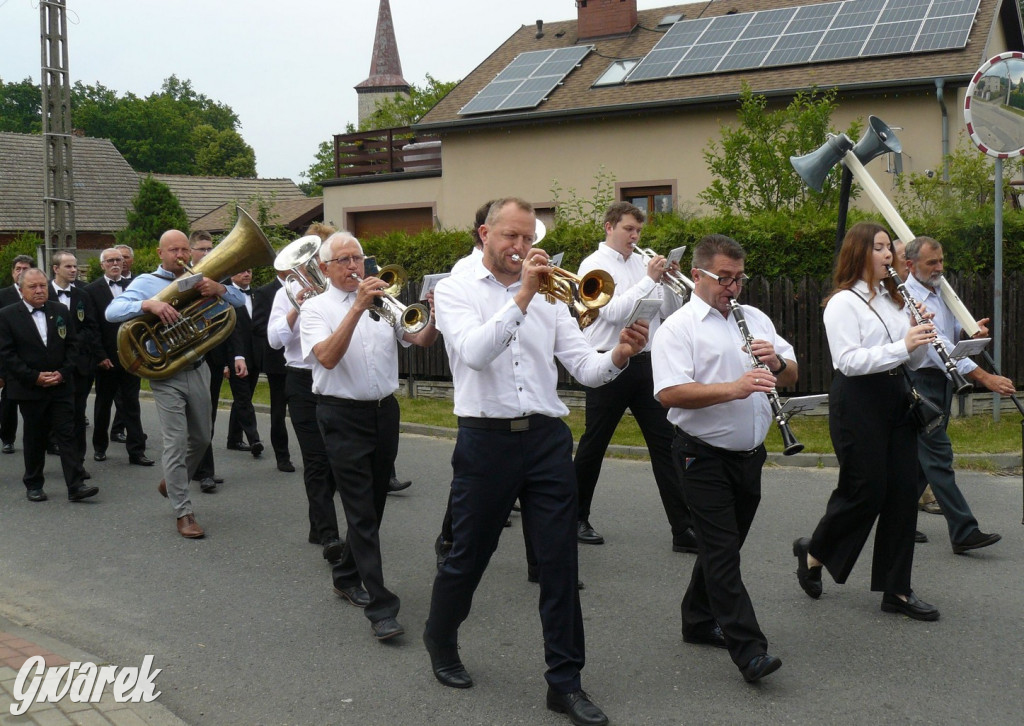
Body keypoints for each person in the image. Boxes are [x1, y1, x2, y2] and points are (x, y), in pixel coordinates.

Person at [424, 198, 646, 726]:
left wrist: (618, 355)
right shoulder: (456, 290)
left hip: (546, 437)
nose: (521, 248)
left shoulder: (549, 296)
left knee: (559, 564)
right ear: (484, 234)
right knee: (468, 555)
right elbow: (475, 353)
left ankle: (564, 681)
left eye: (527, 238)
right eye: (510, 237)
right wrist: (522, 295)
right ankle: (441, 636)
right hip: (484, 437)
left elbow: (583, 368)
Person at [652, 233, 795, 683]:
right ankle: (749, 650)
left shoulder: (754, 318)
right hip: (702, 455)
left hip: (749, 455)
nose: (733, 288)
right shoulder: (678, 328)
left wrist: (776, 364)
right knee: (722, 552)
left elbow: (791, 372)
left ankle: (696, 620)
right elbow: (669, 393)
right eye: (724, 278)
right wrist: (736, 387)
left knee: (725, 547)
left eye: (739, 278)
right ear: (698, 276)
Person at [794, 221, 940, 621]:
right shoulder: (843, 303)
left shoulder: (894, 300)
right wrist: (902, 343)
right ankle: (815, 550)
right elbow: (848, 361)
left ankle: (897, 590)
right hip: (858, 401)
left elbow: (910, 359)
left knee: (901, 494)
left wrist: (916, 335)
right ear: (859, 253)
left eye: (887, 248)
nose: (888, 255)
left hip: (895, 397)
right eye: (879, 248)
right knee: (866, 490)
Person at [299, 231, 437, 640]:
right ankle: (381, 607)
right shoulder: (315, 308)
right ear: (324, 269)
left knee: (374, 504)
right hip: (341, 415)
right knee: (361, 510)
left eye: (357, 258)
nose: (353, 266)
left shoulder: (382, 304)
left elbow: (417, 338)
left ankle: (345, 573)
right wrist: (356, 308)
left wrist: (434, 315)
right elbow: (325, 356)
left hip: (383, 413)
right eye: (342, 260)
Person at [107, 230, 246, 538]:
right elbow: (112, 311)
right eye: (173, 250)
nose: (180, 254)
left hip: (198, 367)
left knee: (202, 437)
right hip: (165, 372)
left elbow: (242, 301)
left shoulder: (201, 277)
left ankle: (171, 481)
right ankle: (183, 512)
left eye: (185, 248)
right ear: (160, 253)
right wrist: (148, 305)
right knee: (176, 440)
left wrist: (219, 289)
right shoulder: (145, 282)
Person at [573, 201, 693, 552]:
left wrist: (670, 282)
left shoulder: (643, 265)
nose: (635, 236)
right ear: (609, 227)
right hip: (607, 362)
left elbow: (668, 312)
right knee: (594, 445)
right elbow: (610, 313)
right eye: (629, 229)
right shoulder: (592, 265)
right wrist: (649, 279)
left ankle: (682, 529)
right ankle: (576, 516)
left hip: (646, 363)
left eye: (639, 231)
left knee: (666, 444)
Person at [904, 236, 1011, 554]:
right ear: (911, 265)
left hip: (942, 382)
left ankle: (898, 520)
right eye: (932, 263)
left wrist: (967, 330)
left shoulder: (939, 289)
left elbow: (949, 339)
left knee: (923, 462)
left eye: (941, 261)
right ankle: (964, 530)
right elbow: (939, 350)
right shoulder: (910, 295)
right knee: (937, 455)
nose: (939, 268)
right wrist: (984, 377)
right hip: (921, 380)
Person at [267, 228, 344, 563]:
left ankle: (318, 523)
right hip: (301, 380)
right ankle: (329, 534)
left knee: (338, 460)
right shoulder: (288, 292)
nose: (315, 263)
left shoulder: (343, 291)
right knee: (316, 459)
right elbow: (274, 340)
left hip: (335, 379)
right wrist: (298, 307)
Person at [0, 268, 98, 502]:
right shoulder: (7, 315)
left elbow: (73, 345)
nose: (39, 290)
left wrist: (63, 373)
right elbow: (7, 353)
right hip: (29, 388)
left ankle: (76, 485)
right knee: (35, 437)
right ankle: (34, 483)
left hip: (61, 386)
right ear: (21, 290)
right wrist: (34, 377)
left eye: (42, 285)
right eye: (33, 287)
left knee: (67, 434)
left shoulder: (60, 310)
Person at [83, 248, 153, 467]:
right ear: (102, 264)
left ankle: (136, 451)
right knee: (103, 404)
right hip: (107, 358)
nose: (115, 264)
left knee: (132, 404)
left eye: (119, 260)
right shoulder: (91, 290)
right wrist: (100, 356)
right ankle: (100, 447)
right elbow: (91, 326)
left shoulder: (134, 286)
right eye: (110, 260)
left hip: (132, 355)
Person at [48, 251, 106, 468]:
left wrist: (74, 341)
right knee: (55, 415)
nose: (74, 270)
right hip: (53, 366)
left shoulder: (83, 294)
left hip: (80, 365)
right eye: (68, 266)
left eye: (75, 266)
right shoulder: (44, 293)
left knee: (77, 414)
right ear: (55, 269)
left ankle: (78, 462)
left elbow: (92, 326)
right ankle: (54, 449)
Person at [188, 231, 227, 493]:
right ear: (190, 252)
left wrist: (220, 288)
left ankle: (204, 470)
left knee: (208, 413)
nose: (207, 253)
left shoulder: (218, 276)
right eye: (202, 249)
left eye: (210, 248)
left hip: (213, 350)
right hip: (187, 351)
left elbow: (236, 302)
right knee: (195, 418)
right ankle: (200, 470)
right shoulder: (178, 278)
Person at [252, 269, 293, 472]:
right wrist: (282, 326)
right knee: (278, 411)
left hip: (303, 360)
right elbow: (259, 325)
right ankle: (282, 456)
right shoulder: (264, 291)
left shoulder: (305, 287)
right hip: (277, 360)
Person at [224, 268, 264, 457]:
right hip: (235, 356)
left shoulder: (257, 294)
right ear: (232, 275)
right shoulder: (225, 295)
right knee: (243, 398)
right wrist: (228, 362)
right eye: (241, 271)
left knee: (242, 398)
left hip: (254, 356)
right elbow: (227, 332)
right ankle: (254, 439)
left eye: (249, 271)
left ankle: (234, 439)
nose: (247, 274)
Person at [1, 255, 35, 454]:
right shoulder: (3, 295)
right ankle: (7, 437)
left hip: (35, 358)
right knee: (9, 402)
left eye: (26, 268)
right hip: (9, 359)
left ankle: (44, 439)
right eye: (18, 269)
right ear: (13, 272)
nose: (21, 272)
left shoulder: (41, 294)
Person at [108, 244, 136, 444]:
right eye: (117, 258)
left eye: (124, 257)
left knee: (130, 396)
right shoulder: (100, 286)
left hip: (134, 347)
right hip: (110, 349)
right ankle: (118, 430)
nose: (121, 262)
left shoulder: (139, 283)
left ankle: (126, 430)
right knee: (116, 395)